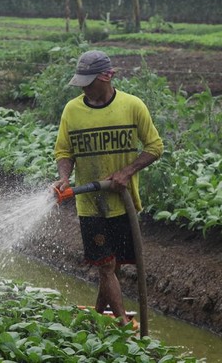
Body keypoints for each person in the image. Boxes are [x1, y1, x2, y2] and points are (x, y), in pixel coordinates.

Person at [53, 50, 163, 327]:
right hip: (89, 205)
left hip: (122, 202)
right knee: (104, 266)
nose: (86, 87)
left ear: (108, 76)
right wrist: (65, 178)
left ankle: (97, 315)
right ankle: (123, 324)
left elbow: (155, 146)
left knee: (113, 266)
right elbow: (64, 151)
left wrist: (127, 172)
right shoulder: (72, 110)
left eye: (90, 81)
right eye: (82, 82)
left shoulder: (132, 106)